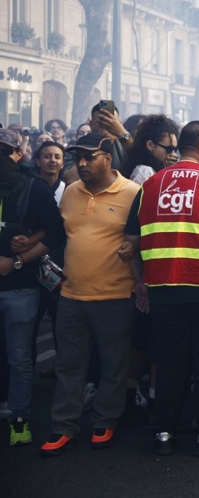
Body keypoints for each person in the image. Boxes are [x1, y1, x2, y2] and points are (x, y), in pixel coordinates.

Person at [124, 121, 199, 457]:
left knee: (169, 360)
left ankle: (163, 431)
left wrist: (141, 280)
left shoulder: (150, 186)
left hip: (165, 289)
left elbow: (131, 241)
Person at [39, 134, 141, 455]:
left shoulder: (133, 193)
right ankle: (63, 426)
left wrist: (133, 246)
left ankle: (105, 421)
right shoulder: (70, 192)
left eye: (89, 157)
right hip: (71, 295)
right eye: (78, 158)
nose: (81, 164)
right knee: (68, 365)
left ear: (108, 159)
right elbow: (58, 234)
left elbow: (143, 235)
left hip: (115, 296)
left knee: (113, 365)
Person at [0, 128, 64, 446]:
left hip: (20, 287)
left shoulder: (33, 189)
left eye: (6, 151)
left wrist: (19, 258)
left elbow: (54, 233)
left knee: (20, 357)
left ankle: (19, 417)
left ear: (19, 154)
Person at [125, 115, 179, 185]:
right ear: (150, 145)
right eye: (169, 149)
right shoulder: (144, 172)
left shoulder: (161, 167)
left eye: (175, 149)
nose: (173, 154)